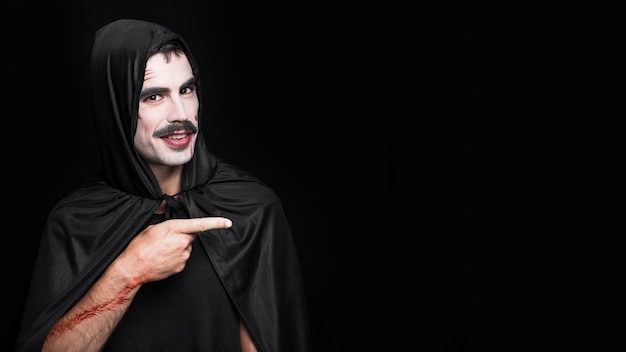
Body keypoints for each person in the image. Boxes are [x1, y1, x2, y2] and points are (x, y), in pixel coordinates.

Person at [16, 18, 311, 352]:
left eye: (187, 90)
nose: (180, 113)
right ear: (117, 109)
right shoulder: (75, 220)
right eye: (154, 97)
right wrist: (130, 270)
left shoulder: (250, 208)